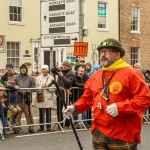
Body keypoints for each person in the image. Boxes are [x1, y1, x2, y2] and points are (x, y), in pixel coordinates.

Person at [63, 38, 150, 149]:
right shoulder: (96, 75)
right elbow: (88, 98)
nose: (103, 55)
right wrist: (75, 107)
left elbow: (145, 98)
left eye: (107, 51)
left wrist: (121, 108)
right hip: (99, 132)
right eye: (102, 52)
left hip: (123, 133)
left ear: (117, 54)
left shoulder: (132, 73)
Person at [51, 60, 75, 130]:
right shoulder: (61, 71)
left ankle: (67, 125)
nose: (63, 67)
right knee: (59, 110)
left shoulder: (71, 73)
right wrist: (57, 67)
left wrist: (62, 76)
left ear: (68, 66)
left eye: (64, 66)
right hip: (59, 93)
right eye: (63, 65)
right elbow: (52, 70)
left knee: (67, 110)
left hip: (66, 94)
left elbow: (68, 83)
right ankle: (60, 125)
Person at [14, 64, 35, 134]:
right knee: (18, 114)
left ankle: (31, 127)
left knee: (29, 114)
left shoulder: (30, 78)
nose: (23, 69)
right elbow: (14, 86)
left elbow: (33, 87)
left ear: (26, 69)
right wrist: (19, 91)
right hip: (18, 98)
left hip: (27, 99)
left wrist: (28, 91)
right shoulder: (16, 77)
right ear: (20, 69)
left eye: (24, 68)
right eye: (22, 68)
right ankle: (17, 127)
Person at [34, 65, 56, 132]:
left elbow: (54, 88)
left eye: (45, 69)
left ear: (47, 70)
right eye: (43, 69)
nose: (44, 71)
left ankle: (48, 126)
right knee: (41, 113)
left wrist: (48, 88)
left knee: (48, 113)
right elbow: (36, 87)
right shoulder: (38, 78)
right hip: (41, 97)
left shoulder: (51, 78)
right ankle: (41, 127)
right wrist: (41, 87)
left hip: (48, 97)